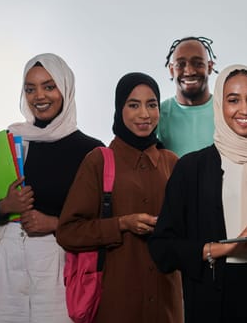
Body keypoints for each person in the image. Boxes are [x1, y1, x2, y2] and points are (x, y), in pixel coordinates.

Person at [148, 64, 247, 323]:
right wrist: (228, 247)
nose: (245, 109)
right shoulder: (191, 169)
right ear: (219, 106)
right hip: (214, 304)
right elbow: (162, 249)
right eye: (233, 100)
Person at [0, 53, 104, 322]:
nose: (39, 96)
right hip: (4, 266)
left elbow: (103, 223)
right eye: (30, 89)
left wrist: (55, 223)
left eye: (49, 86)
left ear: (66, 88)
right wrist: (5, 206)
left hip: (58, 263)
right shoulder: (7, 143)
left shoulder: (92, 151)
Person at [56, 72, 184, 323]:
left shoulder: (172, 163)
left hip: (166, 304)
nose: (145, 114)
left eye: (152, 104)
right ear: (119, 108)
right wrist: (121, 224)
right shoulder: (99, 161)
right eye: (133, 105)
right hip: (115, 303)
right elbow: (68, 231)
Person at [156, 36, 218, 157]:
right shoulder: (158, 114)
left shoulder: (226, 111)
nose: (189, 71)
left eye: (198, 63)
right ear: (171, 70)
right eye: (181, 64)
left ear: (209, 67)